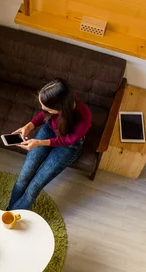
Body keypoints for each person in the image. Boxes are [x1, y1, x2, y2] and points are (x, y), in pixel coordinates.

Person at [7, 78, 92, 211]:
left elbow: (69, 140)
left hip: (68, 145)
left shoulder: (84, 116)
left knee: (34, 186)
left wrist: (39, 143)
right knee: (24, 176)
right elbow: (44, 114)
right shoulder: (60, 96)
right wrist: (29, 126)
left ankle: (13, 215)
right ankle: (9, 212)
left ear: (60, 109)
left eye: (47, 108)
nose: (43, 109)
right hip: (49, 131)